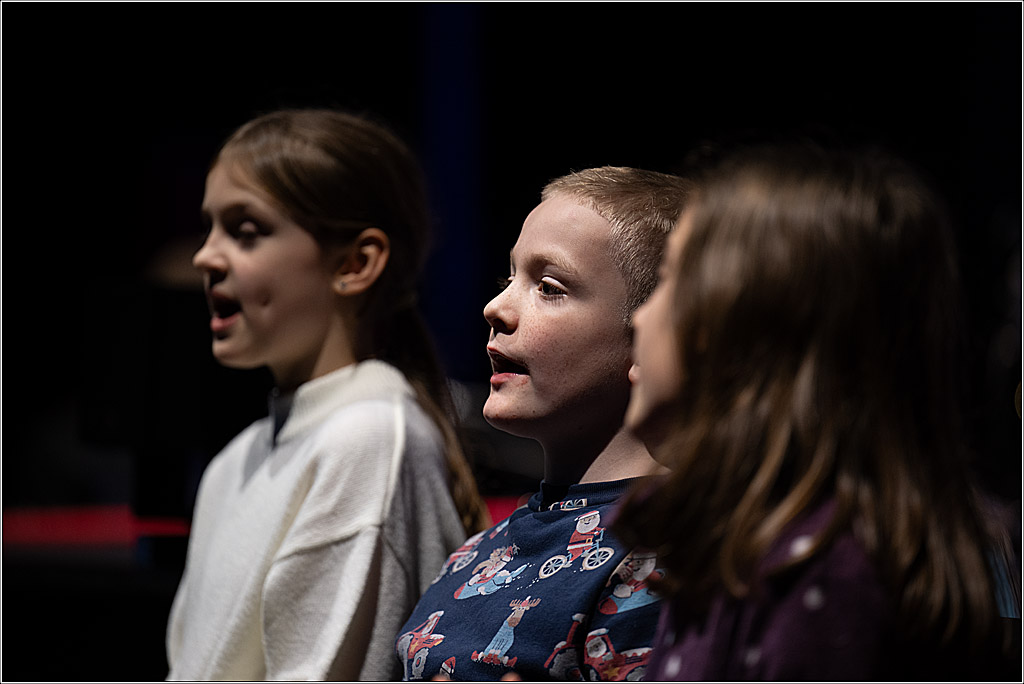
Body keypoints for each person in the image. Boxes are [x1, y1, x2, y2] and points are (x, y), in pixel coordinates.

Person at [615, 139, 1020, 679]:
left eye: (667, 280)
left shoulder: (825, 574)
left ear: (746, 333)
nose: (641, 318)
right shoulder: (744, 547)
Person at [165, 108, 491, 681]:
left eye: (245, 231)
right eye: (209, 227)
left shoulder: (368, 437)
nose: (205, 257)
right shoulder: (234, 460)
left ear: (355, 263)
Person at [394, 166, 694, 680]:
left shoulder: (660, 557)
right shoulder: (476, 553)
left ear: (653, 331)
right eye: (508, 279)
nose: (495, 307)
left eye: (549, 287)